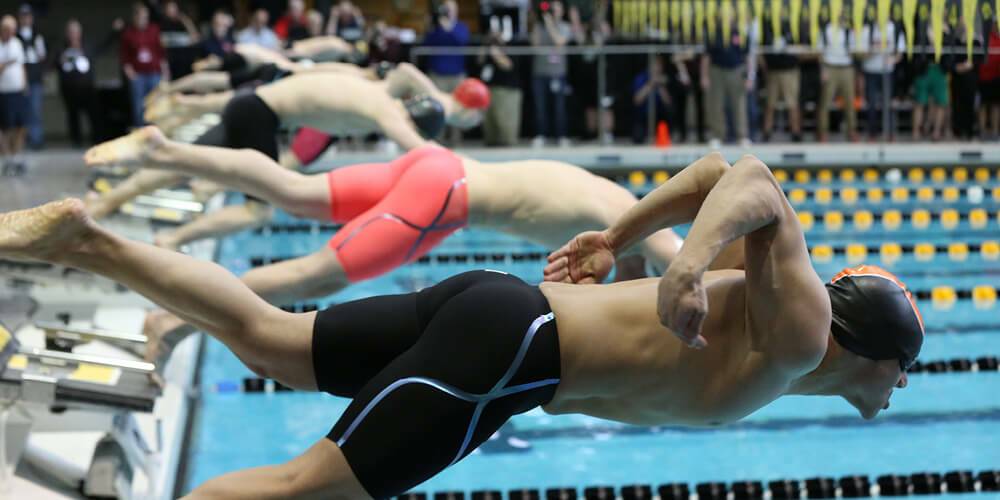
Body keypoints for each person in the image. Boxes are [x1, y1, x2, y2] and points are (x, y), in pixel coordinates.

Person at [0, 151, 920, 497]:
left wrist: (616, 237)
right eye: (902, 366)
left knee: (271, 338)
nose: (903, 386)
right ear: (862, 348)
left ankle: (88, 243)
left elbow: (712, 171)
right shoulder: (797, 333)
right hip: (509, 356)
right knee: (297, 489)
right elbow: (752, 178)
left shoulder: (761, 309)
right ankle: (88, 244)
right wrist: (673, 261)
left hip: (496, 308)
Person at [84, 130, 685, 358]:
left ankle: (164, 150)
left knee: (295, 191)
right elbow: (683, 267)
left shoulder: (610, 194)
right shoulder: (629, 221)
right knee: (314, 277)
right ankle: (170, 322)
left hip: (438, 165)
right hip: (443, 201)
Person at [83, 71, 447, 221]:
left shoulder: (374, 86)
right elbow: (422, 153)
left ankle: (107, 200)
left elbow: (403, 72)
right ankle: (174, 236)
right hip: (259, 115)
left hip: (251, 104)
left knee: (183, 163)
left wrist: (435, 95)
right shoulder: (387, 110)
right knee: (259, 214)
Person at [57, 19, 113, 147]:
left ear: (80, 33)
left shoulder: (87, 46)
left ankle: (97, 139)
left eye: (75, 32)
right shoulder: (61, 48)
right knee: (73, 116)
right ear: (67, 33)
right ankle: (76, 141)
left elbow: (103, 47)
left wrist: (114, 32)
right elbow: (52, 63)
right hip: (70, 89)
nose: (73, 34)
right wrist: (60, 60)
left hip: (87, 88)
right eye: (71, 32)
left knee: (94, 115)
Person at [423, 0, 470, 144]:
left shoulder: (461, 27)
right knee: (438, 108)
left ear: (455, 11)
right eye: (446, 8)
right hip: (438, 74)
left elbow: (461, 40)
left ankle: (456, 139)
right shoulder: (435, 27)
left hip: (457, 75)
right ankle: (438, 139)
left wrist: (448, 28)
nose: (448, 11)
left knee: (457, 108)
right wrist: (432, 27)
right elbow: (427, 43)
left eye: (450, 9)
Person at [701, 13, 752, 148]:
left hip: (737, 70)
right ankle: (717, 135)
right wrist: (704, 76)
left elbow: (747, 56)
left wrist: (749, 77)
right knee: (716, 104)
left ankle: (742, 136)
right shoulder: (714, 33)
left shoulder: (741, 32)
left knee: (739, 104)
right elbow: (706, 57)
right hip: (717, 70)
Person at [858, 7, 905, 141]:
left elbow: (900, 52)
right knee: (871, 103)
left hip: (887, 71)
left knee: (888, 103)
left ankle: (890, 133)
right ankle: (872, 133)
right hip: (871, 71)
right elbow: (860, 53)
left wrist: (892, 60)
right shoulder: (868, 30)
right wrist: (871, 52)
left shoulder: (894, 29)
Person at [121, 3, 168, 128]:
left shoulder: (154, 30)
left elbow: (161, 53)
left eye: (145, 17)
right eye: (141, 17)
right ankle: (140, 132)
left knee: (156, 104)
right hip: (138, 75)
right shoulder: (128, 33)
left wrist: (165, 72)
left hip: (154, 73)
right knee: (138, 105)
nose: (144, 20)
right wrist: (131, 74)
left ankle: (157, 131)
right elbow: (125, 57)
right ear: (135, 17)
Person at [531, 0, 571, 148]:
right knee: (540, 106)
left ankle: (561, 135)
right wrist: (539, 21)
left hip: (557, 72)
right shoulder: (539, 26)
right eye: (551, 9)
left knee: (559, 106)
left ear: (561, 11)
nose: (553, 11)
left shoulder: (565, 27)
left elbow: (559, 42)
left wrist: (550, 24)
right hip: (540, 72)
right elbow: (534, 45)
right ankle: (541, 135)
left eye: (556, 9)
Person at [760, 10, 802, 143]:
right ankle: (767, 132)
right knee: (770, 103)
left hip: (789, 69)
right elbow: (762, 45)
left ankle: (795, 132)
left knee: (792, 103)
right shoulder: (768, 22)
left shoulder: (793, 22)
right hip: (773, 69)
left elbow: (800, 44)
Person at [478, 25, 522, 146]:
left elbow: (508, 66)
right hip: (489, 89)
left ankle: (508, 146)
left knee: (505, 123)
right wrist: (486, 45)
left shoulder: (511, 46)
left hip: (506, 89)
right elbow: (480, 61)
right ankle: (491, 142)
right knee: (490, 123)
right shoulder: (488, 47)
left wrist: (496, 54)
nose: (494, 35)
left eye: (497, 33)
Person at [817, 13, 858, 142]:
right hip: (830, 67)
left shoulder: (849, 30)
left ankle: (851, 131)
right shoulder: (826, 29)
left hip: (846, 68)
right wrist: (823, 69)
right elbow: (820, 52)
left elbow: (854, 50)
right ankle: (823, 132)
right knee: (825, 102)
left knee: (850, 102)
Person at [910, 14, 950, 141]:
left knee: (941, 102)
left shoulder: (946, 30)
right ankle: (916, 131)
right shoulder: (921, 28)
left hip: (940, 69)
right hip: (924, 69)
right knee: (920, 102)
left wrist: (944, 33)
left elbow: (948, 47)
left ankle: (936, 131)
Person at [0, 15, 28, 173]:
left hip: (18, 90)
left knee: (21, 126)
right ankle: (8, 159)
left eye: (13, 29)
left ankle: (17, 156)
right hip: (4, 92)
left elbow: (21, 65)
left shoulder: (17, 43)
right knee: (7, 128)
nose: (11, 32)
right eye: (8, 29)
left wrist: (25, 85)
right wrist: (6, 63)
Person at [16, 4, 45, 150]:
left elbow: (41, 56)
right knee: (22, 111)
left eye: (28, 16)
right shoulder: (16, 36)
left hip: (34, 77)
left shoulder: (37, 35)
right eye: (23, 16)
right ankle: (22, 140)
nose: (25, 19)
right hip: (19, 78)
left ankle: (36, 139)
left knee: (35, 109)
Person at [949, 18, 982, 141]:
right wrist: (956, 67)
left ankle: (969, 130)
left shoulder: (975, 41)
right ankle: (958, 130)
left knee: (969, 104)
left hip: (970, 78)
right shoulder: (956, 40)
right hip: (957, 78)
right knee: (957, 104)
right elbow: (951, 58)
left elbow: (978, 59)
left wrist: (970, 65)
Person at [631, 55, 671, 144]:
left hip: (659, 115)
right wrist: (650, 84)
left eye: (659, 65)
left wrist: (660, 86)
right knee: (638, 138)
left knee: (667, 116)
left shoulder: (664, 79)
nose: (657, 68)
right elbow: (637, 100)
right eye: (655, 65)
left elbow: (668, 102)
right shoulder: (641, 77)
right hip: (643, 115)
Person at [156, 0, 200, 80]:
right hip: (172, 63)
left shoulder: (183, 23)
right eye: (169, 8)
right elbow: (161, 43)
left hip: (186, 62)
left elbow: (195, 38)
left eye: (173, 7)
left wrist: (185, 19)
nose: (171, 10)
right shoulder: (162, 24)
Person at [978, 22, 1000, 140]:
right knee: (983, 105)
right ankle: (982, 130)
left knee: (996, 105)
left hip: (996, 77)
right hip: (984, 77)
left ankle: (995, 130)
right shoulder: (984, 38)